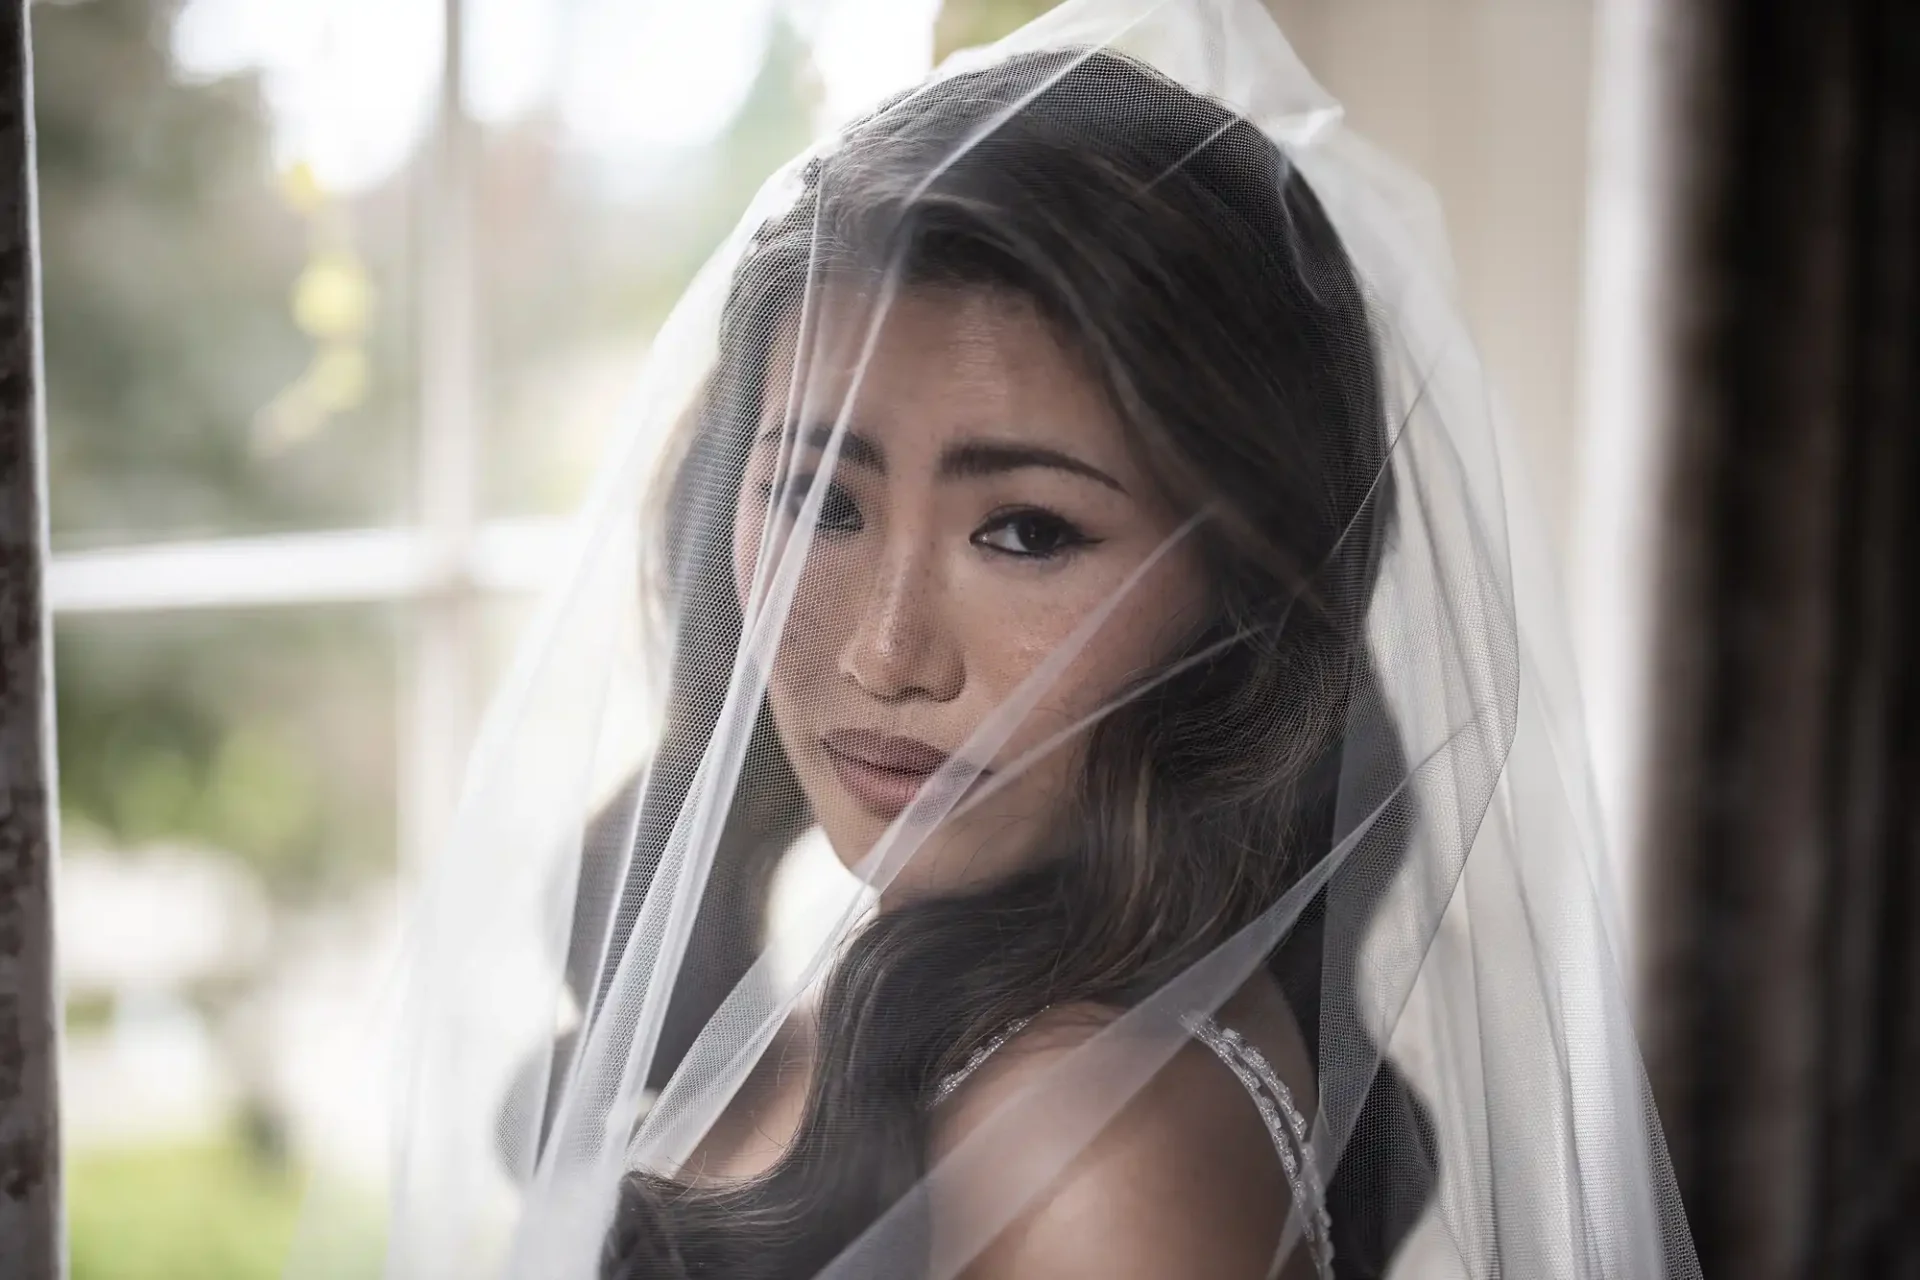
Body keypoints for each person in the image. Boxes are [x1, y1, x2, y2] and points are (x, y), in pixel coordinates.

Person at [375, 5, 1701, 1280]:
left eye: (1024, 532)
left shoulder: (1093, 1150)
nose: (886, 655)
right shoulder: (926, 1000)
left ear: (1240, 583)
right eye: (821, 499)